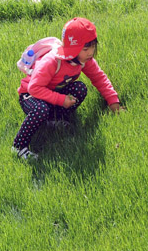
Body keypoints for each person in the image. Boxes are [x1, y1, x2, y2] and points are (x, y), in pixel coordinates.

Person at [12, 17, 123, 160]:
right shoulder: (52, 61)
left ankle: (52, 121)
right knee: (40, 109)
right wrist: (61, 100)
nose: (91, 52)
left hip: (51, 94)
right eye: (85, 48)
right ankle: (18, 146)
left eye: (93, 47)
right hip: (31, 96)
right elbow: (34, 88)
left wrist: (113, 102)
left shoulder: (84, 60)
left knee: (80, 89)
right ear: (73, 49)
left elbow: (99, 78)